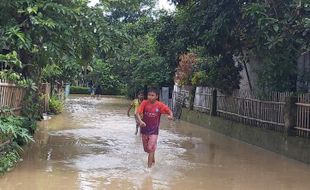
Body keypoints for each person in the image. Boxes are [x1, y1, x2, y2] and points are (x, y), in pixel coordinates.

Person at [136, 87, 174, 168]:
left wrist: (171, 116)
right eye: (149, 95)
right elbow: (137, 113)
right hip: (144, 130)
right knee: (146, 149)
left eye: (152, 95)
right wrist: (140, 121)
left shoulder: (160, 105)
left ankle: (149, 169)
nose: (150, 97)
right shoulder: (144, 103)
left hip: (154, 131)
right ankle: (152, 156)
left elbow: (169, 111)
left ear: (157, 96)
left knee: (150, 148)